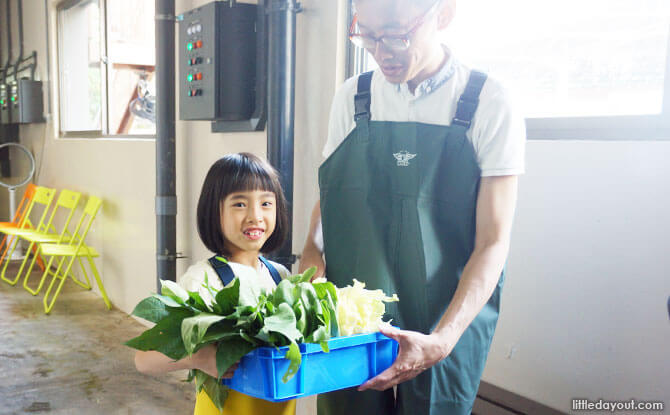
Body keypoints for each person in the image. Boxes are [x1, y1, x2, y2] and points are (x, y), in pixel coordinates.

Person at [299, 0, 526, 414]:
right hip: (355, 315)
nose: (382, 51)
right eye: (367, 35)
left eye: (397, 35)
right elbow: (331, 199)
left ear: (444, 14)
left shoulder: (488, 102)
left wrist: (443, 339)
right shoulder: (354, 96)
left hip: (446, 314)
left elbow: (493, 241)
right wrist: (309, 271)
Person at [134, 153, 296, 415]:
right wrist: (199, 358)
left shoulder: (281, 278)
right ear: (214, 211)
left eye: (266, 203)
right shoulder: (204, 279)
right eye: (240, 204)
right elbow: (144, 360)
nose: (255, 216)